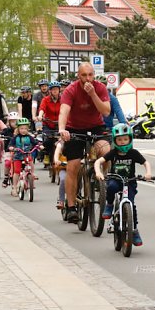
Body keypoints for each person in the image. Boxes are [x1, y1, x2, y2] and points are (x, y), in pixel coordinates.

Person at [57, 62, 111, 223]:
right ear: (78, 76)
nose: (88, 79)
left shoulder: (100, 88)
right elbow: (63, 111)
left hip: (96, 127)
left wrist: (93, 94)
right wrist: (62, 129)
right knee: (73, 166)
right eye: (84, 75)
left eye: (90, 75)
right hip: (74, 129)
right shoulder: (70, 90)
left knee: (106, 152)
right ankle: (72, 206)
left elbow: (106, 111)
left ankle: (100, 181)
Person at [94, 123, 153, 246]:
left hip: (129, 182)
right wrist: (98, 172)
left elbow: (145, 162)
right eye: (119, 139)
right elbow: (99, 161)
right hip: (115, 179)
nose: (122, 142)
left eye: (125, 139)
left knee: (131, 205)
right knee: (111, 187)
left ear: (130, 139)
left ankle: (134, 230)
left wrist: (148, 173)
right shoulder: (113, 153)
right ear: (115, 140)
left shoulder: (133, 153)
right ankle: (109, 205)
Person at [8, 117, 38, 195]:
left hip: (27, 154)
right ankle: (14, 187)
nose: (23, 130)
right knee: (17, 171)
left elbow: (35, 143)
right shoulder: (16, 138)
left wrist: (39, 146)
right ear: (18, 129)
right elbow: (10, 145)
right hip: (18, 156)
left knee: (31, 162)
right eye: (21, 128)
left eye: (25, 128)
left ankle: (32, 175)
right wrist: (12, 148)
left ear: (28, 129)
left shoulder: (29, 137)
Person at [38, 81, 62, 169]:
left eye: (56, 89)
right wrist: (40, 116)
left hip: (60, 124)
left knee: (63, 140)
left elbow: (67, 109)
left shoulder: (63, 99)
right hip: (48, 123)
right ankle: (47, 155)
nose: (55, 91)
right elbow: (42, 108)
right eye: (53, 89)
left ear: (59, 90)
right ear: (50, 91)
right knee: (47, 140)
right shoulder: (46, 99)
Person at [53, 139, 68, 210]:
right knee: (63, 180)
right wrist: (56, 160)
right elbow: (56, 153)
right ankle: (61, 200)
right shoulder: (60, 144)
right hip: (64, 168)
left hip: (76, 169)